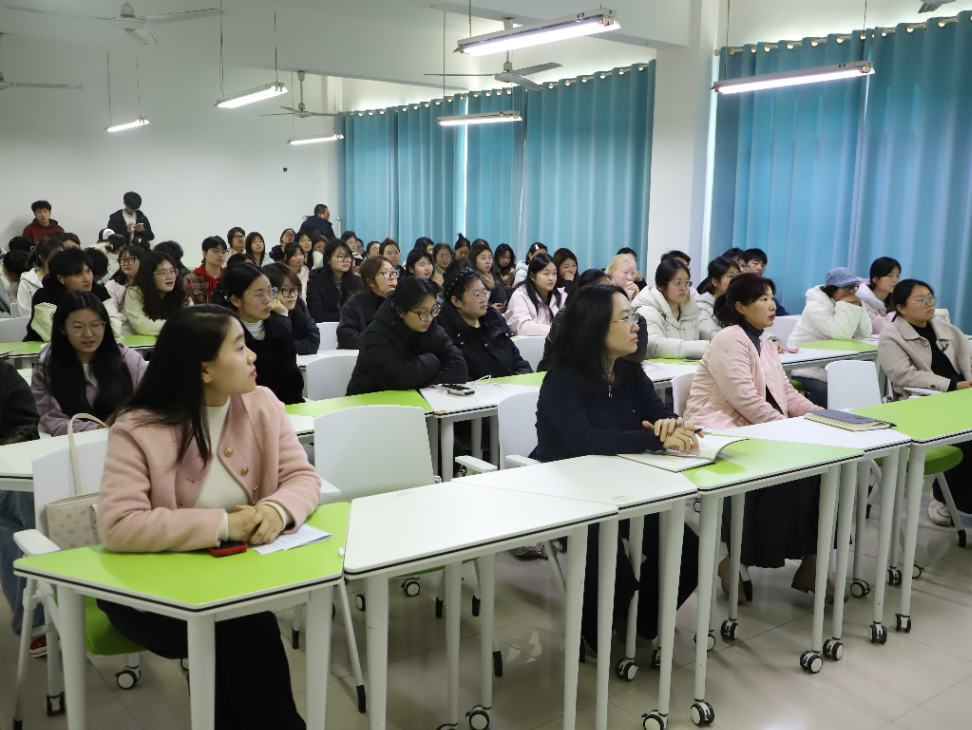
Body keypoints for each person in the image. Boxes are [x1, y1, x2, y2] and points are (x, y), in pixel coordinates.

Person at [97, 305, 317, 730]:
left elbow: (302, 477)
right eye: (239, 347)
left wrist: (276, 509)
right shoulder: (138, 427)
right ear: (204, 370)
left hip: (233, 582)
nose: (252, 355)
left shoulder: (262, 404)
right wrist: (225, 525)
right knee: (242, 624)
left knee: (238, 622)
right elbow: (120, 524)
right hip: (148, 591)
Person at [531, 283, 699, 647]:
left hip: (626, 486)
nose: (636, 326)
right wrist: (654, 438)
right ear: (595, 327)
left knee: (689, 551)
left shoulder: (628, 372)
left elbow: (659, 412)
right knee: (610, 565)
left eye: (634, 316)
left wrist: (670, 425)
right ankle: (597, 631)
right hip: (571, 492)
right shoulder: (563, 378)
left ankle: (640, 624)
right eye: (625, 318)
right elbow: (585, 441)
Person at [683, 272, 826, 600]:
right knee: (790, 472)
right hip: (720, 431)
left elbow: (786, 393)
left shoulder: (765, 343)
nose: (772, 305)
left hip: (759, 428)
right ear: (740, 307)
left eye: (772, 298)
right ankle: (738, 560)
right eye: (763, 299)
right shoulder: (730, 339)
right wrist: (786, 429)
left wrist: (821, 416)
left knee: (822, 468)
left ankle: (812, 563)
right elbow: (745, 399)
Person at [877, 279, 972, 524]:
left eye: (931, 298)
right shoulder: (891, 336)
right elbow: (904, 376)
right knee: (966, 438)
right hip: (921, 402)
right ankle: (943, 498)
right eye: (921, 300)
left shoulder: (947, 330)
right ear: (901, 307)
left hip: (961, 394)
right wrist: (952, 385)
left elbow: (968, 359)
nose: (929, 304)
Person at [32, 291, 146, 436]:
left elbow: (150, 402)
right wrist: (98, 429)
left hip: (127, 438)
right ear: (62, 328)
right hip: (75, 443)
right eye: (78, 327)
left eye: (96, 325)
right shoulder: (47, 368)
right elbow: (51, 419)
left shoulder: (128, 360)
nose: (88, 334)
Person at [346, 277, 468, 395]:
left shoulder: (431, 327)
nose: (429, 318)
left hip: (415, 401)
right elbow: (397, 379)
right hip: (368, 402)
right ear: (401, 312)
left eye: (434, 310)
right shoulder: (375, 336)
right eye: (423, 312)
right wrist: (432, 361)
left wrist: (424, 386)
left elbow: (459, 367)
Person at [0, 359, 42, 643]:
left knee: (24, 503)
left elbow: (27, 426)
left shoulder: (3, 375)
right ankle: (35, 620)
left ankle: (35, 619)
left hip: (6, 470)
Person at [787, 266, 872, 404]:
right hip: (805, 365)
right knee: (826, 390)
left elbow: (865, 332)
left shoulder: (846, 302)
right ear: (833, 289)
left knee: (860, 382)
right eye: (846, 288)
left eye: (853, 288)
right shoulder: (815, 305)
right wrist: (847, 305)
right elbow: (840, 334)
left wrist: (857, 307)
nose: (851, 292)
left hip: (832, 361)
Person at [222, 264, 303, 405]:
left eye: (270, 291)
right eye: (259, 294)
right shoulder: (224, 334)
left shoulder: (282, 326)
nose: (267, 300)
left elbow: (292, 381)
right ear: (235, 300)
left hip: (282, 406)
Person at [538, 268, 649, 371]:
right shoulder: (568, 316)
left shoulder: (626, 319)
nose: (613, 294)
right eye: (606, 291)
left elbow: (635, 358)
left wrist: (626, 311)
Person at [439, 265, 531, 379]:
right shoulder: (448, 335)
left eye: (485, 292)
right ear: (456, 301)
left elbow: (518, 361)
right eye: (477, 295)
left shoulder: (494, 321)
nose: (484, 299)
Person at [25, 248, 122, 342]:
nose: (87, 279)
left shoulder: (99, 292)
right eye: (78, 274)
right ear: (61, 278)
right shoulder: (45, 296)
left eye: (88, 271)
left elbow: (115, 329)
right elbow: (53, 334)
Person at [632, 258, 709, 358]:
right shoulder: (647, 310)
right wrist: (703, 347)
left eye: (687, 283)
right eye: (678, 283)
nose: (683, 288)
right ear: (660, 285)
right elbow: (653, 346)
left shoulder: (691, 311)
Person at [337, 256, 398, 349]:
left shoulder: (401, 300)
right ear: (370, 282)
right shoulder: (355, 304)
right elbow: (346, 338)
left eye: (393, 272)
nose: (392, 277)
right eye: (385, 273)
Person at [122, 251, 189, 336]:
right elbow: (143, 326)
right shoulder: (134, 293)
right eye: (162, 273)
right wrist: (178, 324)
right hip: (137, 343)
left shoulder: (180, 292)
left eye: (172, 271)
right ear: (150, 276)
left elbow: (190, 319)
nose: (169, 277)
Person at [264, 263, 320, 355]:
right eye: (286, 290)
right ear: (271, 292)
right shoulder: (263, 313)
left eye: (295, 288)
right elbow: (273, 349)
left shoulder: (299, 304)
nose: (293, 295)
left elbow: (313, 342)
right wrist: (283, 316)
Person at [505, 253, 565, 336]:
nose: (551, 278)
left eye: (554, 273)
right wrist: (557, 330)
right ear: (532, 276)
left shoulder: (560, 294)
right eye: (546, 273)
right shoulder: (520, 295)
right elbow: (524, 328)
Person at [307, 239, 363, 322]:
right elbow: (316, 316)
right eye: (340, 256)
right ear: (328, 259)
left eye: (348, 256)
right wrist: (348, 315)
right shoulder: (315, 282)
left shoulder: (357, 282)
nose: (346, 260)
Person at [696, 256, 741, 339]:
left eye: (738, 276)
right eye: (731, 276)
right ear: (715, 282)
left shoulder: (734, 304)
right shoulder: (701, 306)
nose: (737, 280)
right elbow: (710, 334)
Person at [17, 235, 63, 315]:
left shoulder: (65, 276)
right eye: (55, 256)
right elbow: (26, 315)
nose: (60, 259)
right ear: (42, 257)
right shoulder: (27, 283)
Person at [857, 257, 900, 335]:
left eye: (897, 276)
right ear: (876, 279)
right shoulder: (862, 300)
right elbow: (880, 328)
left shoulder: (895, 299)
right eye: (890, 276)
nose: (895, 280)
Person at [742, 248, 789, 315]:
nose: (760, 268)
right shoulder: (737, 286)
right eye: (755, 263)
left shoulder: (763, 286)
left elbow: (780, 311)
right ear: (744, 265)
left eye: (763, 265)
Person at [184, 236, 228, 305]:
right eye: (215, 251)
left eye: (223, 252)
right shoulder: (191, 279)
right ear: (204, 253)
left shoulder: (228, 276)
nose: (220, 255)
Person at [106, 244, 147, 310]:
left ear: (142, 261)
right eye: (122, 259)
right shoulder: (112, 285)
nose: (125, 263)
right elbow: (112, 312)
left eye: (130, 259)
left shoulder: (150, 282)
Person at [469, 240, 506, 308]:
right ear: (474, 260)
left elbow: (502, 300)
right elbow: (471, 304)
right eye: (483, 258)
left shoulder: (494, 273)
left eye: (490, 257)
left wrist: (494, 287)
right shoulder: (470, 278)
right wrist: (490, 308)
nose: (488, 262)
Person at [1, 249, 30, 315]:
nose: (19, 278)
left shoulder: (25, 271)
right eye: (17, 275)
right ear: (5, 267)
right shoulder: (3, 281)